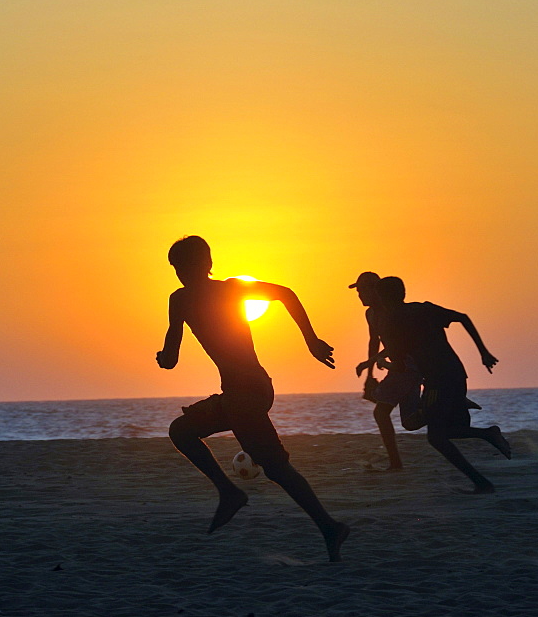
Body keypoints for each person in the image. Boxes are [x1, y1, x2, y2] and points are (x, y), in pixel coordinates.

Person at [157, 236, 350, 561]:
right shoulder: (179, 300)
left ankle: (330, 527)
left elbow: (285, 294)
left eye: (186, 265)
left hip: (251, 392)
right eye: (176, 268)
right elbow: (172, 355)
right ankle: (229, 491)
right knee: (181, 431)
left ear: (206, 264)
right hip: (233, 397)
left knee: (276, 467)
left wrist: (312, 341)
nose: (181, 273)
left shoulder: (231, 289)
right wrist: (164, 357)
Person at [357, 276, 511, 493]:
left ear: (381, 297)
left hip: (438, 381)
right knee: (452, 429)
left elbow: (401, 366)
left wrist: (381, 363)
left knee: (436, 437)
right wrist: (483, 353)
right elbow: (463, 318)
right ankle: (487, 436)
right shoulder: (423, 308)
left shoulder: (391, 323)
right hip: (457, 373)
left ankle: (482, 480)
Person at [349, 271, 415, 469]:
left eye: (361, 290)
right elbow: (374, 340)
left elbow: (401, 342)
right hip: (397, 365)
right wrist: (369, 372)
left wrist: (375, 360)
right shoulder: (370, 313)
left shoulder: (391, 310)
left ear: (373, 290)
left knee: (381, 412)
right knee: (411, 421)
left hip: (408, 364)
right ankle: (450, 402)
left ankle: (396, 463)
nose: (359, 295)